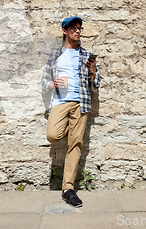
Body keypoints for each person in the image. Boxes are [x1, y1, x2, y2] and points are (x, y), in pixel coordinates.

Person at [41, 16, 101, 207]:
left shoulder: (86, 55)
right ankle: (67, 126)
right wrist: (53, 83)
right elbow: (43, 83)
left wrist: (92, 72)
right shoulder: (54, 56)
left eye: (79, 28)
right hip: (60, 102)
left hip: (80, 103)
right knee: (52, 135)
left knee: (75, 144)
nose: (77, 31)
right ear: (64, 31)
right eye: (73, 28)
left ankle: (68, 188)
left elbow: (96, 84)